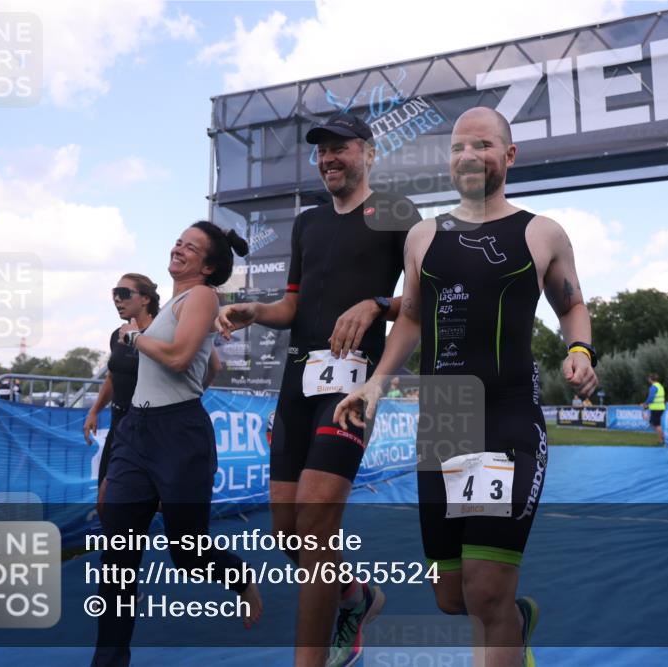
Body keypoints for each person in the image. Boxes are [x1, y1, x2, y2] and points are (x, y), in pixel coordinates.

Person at [335, 107, 599, 667]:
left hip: (505, 421)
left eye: (482, 145)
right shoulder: (423, 236)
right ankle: (515, 620)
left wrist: (580, 351)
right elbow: (411, 317)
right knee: (451, 596)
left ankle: (503, 617)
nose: (468, 155)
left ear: (509, 155)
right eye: (458, 147)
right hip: (443, 426)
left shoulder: (541, 232)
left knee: (484, 592)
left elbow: (572, 304)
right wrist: (376, 384)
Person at [217, 111, 421, 667]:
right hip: (296, 383)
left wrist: (375, 304)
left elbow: (424, 298)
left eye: (341, 148)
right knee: (289, 534)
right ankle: (355, 597)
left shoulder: (397, 213)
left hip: (352, 383)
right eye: (321, 151)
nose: (329, 158)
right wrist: (257, 310)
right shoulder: (307, 223)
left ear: (369, 153)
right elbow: (293, 305)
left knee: (314, 524)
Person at [91, 222, 261, 667]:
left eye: (191, 247)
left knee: (187, 553)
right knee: (118, 557)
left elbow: (182, 358)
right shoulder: (172, 308)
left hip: (179, 436)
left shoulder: (202, 297)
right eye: (179, 242)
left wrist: (136, 338)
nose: (179, 248)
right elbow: (210, 365)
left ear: (207, 266)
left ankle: (239, 576)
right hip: (135, 431)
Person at [83, 274, 160, 512]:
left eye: (124, 293)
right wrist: (94, 411)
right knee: (105, 502)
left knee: (143, 503)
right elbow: (113, 376)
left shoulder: (161, 333)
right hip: (119, 424)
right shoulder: (117, 334)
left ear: (146, 299)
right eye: (114, 293)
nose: (117, 299)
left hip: (151, 427)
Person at [641, 373, 666, 444]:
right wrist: (647, 405)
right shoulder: (660, 386)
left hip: (656, 408)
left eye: (649, 378)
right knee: (653, 423)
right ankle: (661, 438)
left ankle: (662, 439)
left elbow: (651, 398)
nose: (648, 379)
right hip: (659, 407)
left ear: (650, 379)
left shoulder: (653, 387)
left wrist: (645, 403)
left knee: (656, 424)